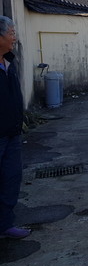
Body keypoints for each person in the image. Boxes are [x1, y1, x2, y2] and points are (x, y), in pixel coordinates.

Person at [0, 16, 31, 239]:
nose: (14, 37)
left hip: (12, 133)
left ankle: (5, 224)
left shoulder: (9, 61)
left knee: (11, 178)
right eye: (11, 33)